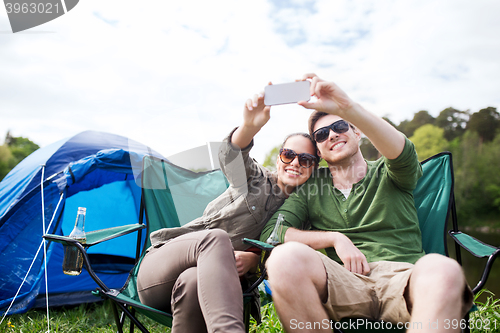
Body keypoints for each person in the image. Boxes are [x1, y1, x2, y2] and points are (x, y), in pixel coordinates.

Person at [260, 74, 473, 333]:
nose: (332, 135)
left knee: (443, 270)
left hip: (401, 277)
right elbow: (275, 232)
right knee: (284, 258)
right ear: (318, 150)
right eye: (322, 134)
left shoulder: (392, 171)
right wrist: (334, 238)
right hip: (341, 283)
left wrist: (347, 107)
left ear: (357, 131)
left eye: (340, 126)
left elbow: (402, 151)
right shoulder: (312, 187)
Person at [136, 91, 318, 333]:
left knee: (192, 281)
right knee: (216, 239)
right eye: (288, 155)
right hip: (159, 272)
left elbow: (293, 262)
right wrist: (249, 127)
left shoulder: (305, 215)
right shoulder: (256, 179)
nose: (295, 163)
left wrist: (256, 262)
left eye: (305, 159)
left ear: (314, 168)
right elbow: (232, 156)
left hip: (202, 286)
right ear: (278, 160)